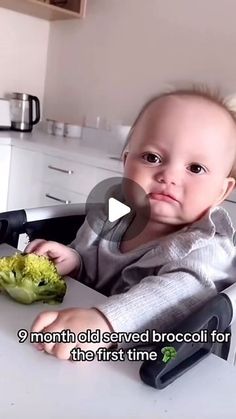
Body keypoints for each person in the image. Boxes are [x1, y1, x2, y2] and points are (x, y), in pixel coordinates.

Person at [25, 86, 236, 360]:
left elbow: (177, 295)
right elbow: (89, 258)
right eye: (152, 157)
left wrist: (106, 323)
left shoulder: (207, 247)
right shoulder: (113, 213)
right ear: (126, 163)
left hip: (152, 363)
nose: (168, 175)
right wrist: (73, 260)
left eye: (195, 168)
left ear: (223, 191)